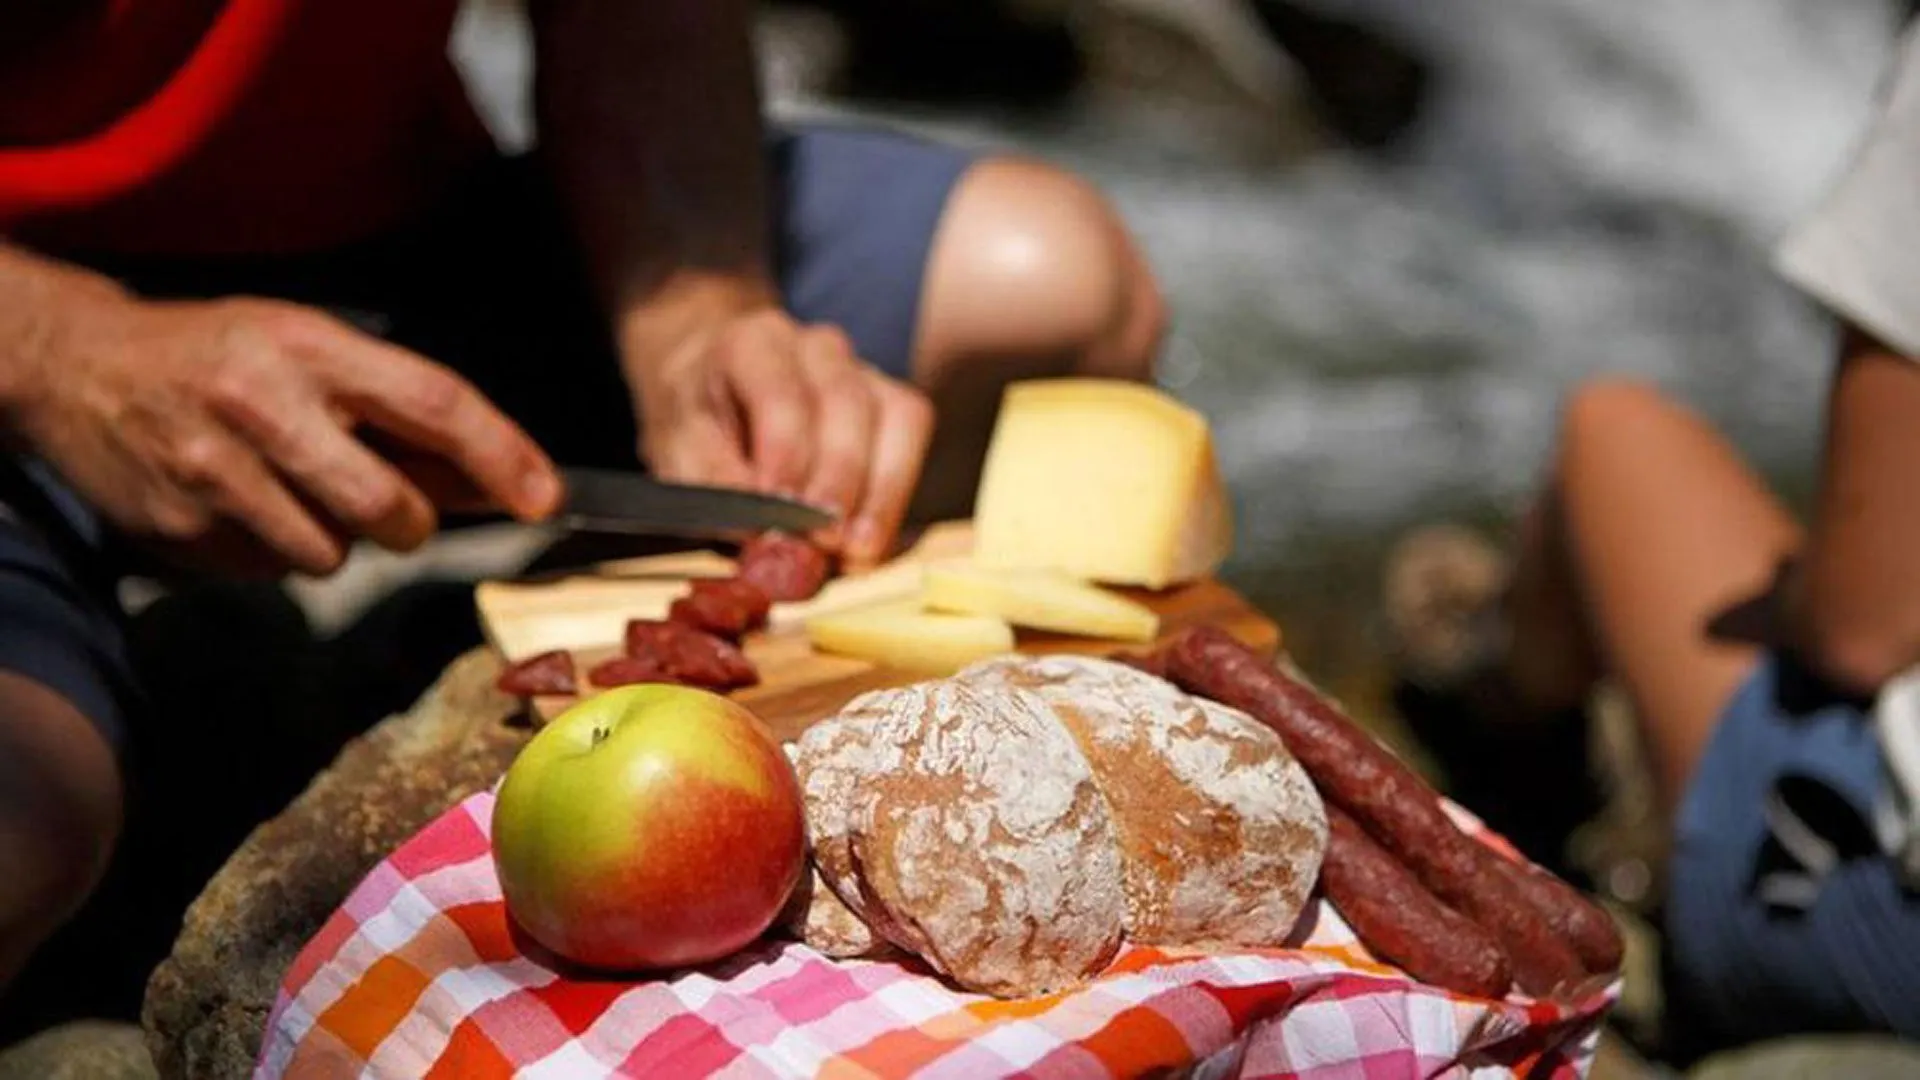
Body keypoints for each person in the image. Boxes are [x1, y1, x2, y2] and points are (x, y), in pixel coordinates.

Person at [0, 0, 1166, 998]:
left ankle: (387, 668)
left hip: (403, 251)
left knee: (1042, 278)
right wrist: (61, 352)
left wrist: (695, 309)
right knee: (23, 837)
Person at [1381, 22, 1920, 1058]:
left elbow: (1866, 626)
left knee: (1615, 434)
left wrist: (1810, 578)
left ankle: (1509, 728)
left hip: (1878, 927)